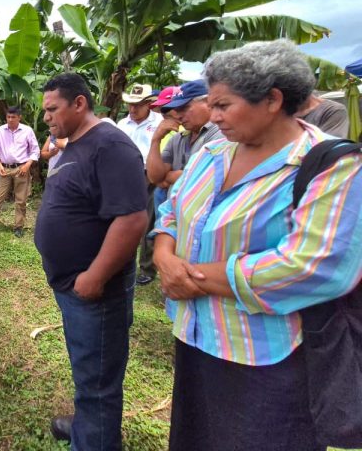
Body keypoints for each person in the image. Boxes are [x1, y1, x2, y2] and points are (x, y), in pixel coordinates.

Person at [153, 40, 362, 451]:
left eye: (222, 106)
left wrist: (194, 278)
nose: (212, 117)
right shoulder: (210, 153)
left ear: (272, 99)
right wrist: (163, 256)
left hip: (268, 358)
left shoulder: (330, 166)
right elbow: (172, 213)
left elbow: (315, 267)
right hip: (195, 338)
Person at [35, 72, 148, 450]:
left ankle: (94, 439)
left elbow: (132, 218)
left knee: (98, 381)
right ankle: (88, 428)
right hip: (72, 286)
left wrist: (95, 277)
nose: (47, 117)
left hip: (93, 291)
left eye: (52, 109)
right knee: (89, 371)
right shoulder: (74, 144)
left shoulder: (110, 145)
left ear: (79, 103)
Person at [117, 83, 162, 285]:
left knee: (148, 221)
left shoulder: (159, 123)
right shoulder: (122, 124)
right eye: (130, 105)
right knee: (123, 219)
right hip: (125, 175)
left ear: (148, 104)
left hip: (148, 175)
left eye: (137, 105)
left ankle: (146, 267)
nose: (133, 109)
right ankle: (122, 260)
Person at [146, 80, 223, 197]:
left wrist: (169, 176)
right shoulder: (177, 138)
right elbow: (155, 177)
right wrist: (156, 140)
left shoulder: (220, 134)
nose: (178, 115)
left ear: (208, 102)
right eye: (177, 110)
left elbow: (200, 178)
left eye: (184, 108)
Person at [0, 107, 40, 239]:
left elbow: (35, 150)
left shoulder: (27, 130)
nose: (10, 120)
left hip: (22, 169)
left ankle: (18, 226)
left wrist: (27, 165)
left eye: (13, 117)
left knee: (21, 200)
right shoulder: (0, 131)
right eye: (8, 117)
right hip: (4, 169)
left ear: (19, 117)